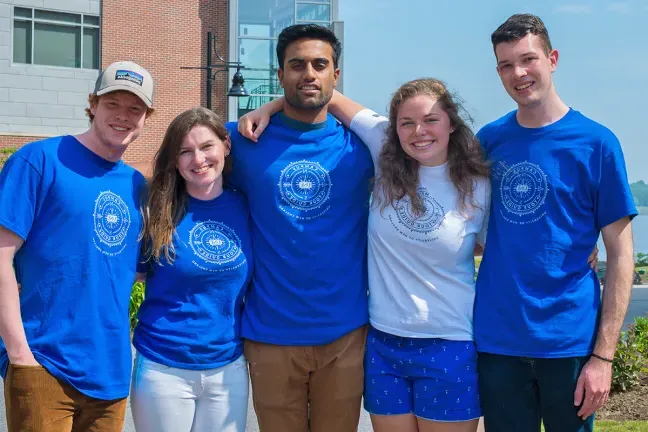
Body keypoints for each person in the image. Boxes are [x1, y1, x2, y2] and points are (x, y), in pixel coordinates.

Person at [240, 79, 489, 432]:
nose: (419, 131)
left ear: (452, 122)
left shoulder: (479, 185)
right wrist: (269, 107)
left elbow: (502, 249)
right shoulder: (384, 148)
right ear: (395, 127)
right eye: (407, 122)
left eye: (431, 120)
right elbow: (327, 94)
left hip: (449, 342)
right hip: (384, 343)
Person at [474, 14, 637, 432]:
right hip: (498, 341)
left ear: (553, 58)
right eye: (506, 65)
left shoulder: (597, 143)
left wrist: (603, 358)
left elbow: (621, 254)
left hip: (570, 342)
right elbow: (463, 226)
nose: (519, 73)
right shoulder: (488, 142)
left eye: (528, 59)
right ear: (498, 71)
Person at [225, 24, 374, 432]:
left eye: (319, 65)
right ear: (280, 76)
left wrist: (268, 105)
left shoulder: (361, 147)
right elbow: (180, 158)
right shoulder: (241, 140)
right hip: (270, 333)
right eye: (297, 65)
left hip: (345, 332)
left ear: (335, 76)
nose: (308, 73)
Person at [0, 61, 154, 432]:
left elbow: (134, 272)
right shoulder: (39, 161)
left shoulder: (138, 187)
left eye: (135, 108)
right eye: (113, 104)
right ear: (93, 104)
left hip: (111, 373)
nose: (123, 116)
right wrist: (20, 353)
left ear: (146, 117)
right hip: (43, 363)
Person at [130, 107, 252, 432]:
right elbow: (129, 276)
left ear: (226, 144)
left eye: (206, 146)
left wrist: (268, 108)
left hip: (228, 367)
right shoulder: (157, 209)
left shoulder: (248, 206)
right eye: (185, 151)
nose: (198, 159)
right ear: (174, 160)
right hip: (162, 367)